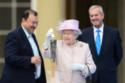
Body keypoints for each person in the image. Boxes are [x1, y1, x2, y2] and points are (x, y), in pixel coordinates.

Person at [78, 5, 123, 83]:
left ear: (102, 16)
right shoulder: (83, 34)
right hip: (90, 77)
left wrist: (108, 66)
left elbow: (118, 55)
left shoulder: (113, 33)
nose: (94, 18)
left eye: (96, 15)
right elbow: (80, 55)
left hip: (109, 77)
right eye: (91, 16)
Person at [0, 9, 46, 83]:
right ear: (23, 20)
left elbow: (31, 54)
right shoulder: (14, 35)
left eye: (37, 23)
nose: (35, 25)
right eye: (33, 22)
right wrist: (30, 60)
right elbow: (9, 58)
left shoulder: (32, 35)